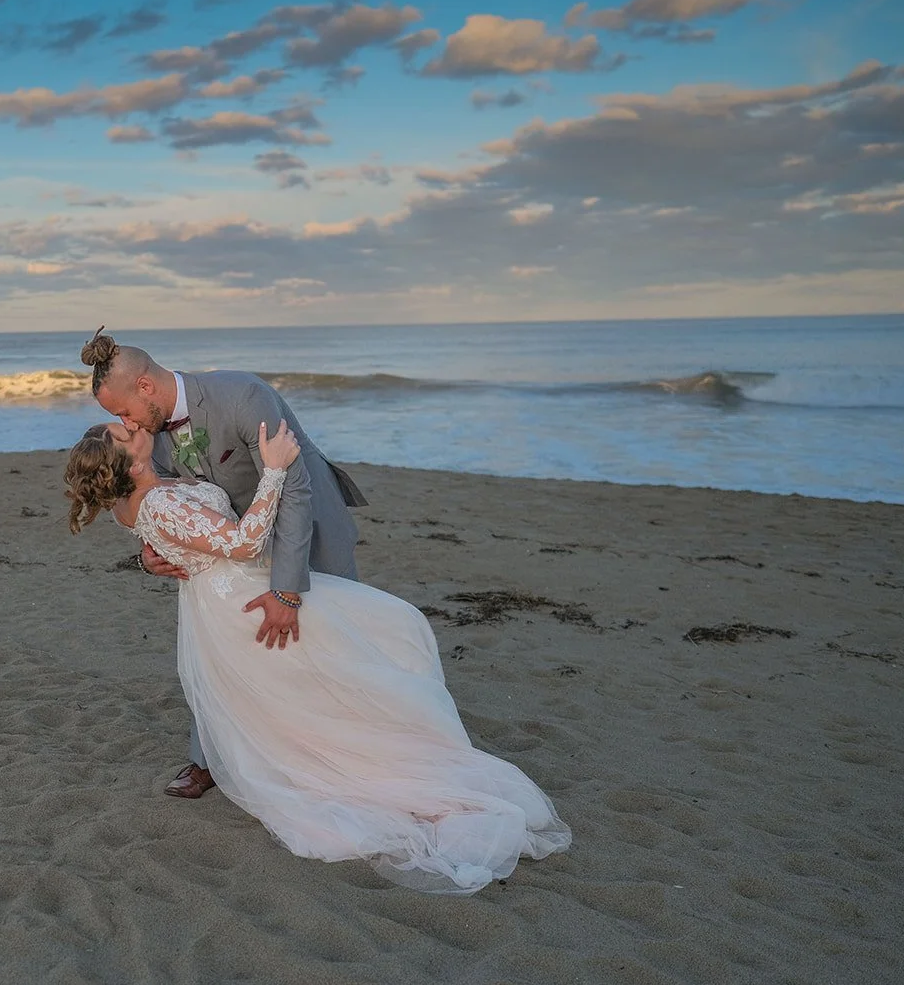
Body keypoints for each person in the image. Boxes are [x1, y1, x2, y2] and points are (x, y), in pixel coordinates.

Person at [63, 420, 572, 894]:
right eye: (124, 432)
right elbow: (243, 544)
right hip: (246, 597)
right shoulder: (158, 503)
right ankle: (385, 762)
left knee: (319, 678)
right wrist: (276, 470)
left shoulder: (128, 502)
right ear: (130, 466)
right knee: (385, 633)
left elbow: (160, 534)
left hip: (213, 602)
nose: (132, 425)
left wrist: (151, 554)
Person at [81, 329, 365, 798]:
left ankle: (344, 747)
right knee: (224, 653)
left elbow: (293, 490)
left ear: (145, 387)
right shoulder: (151, 439)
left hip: (310, 524)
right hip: (235, 547)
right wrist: (152, 552)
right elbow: (154, 500)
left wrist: (287, 590)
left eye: (123, 412)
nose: (127, 424)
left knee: (331, 641)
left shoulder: (243, 396)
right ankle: (208, 758)